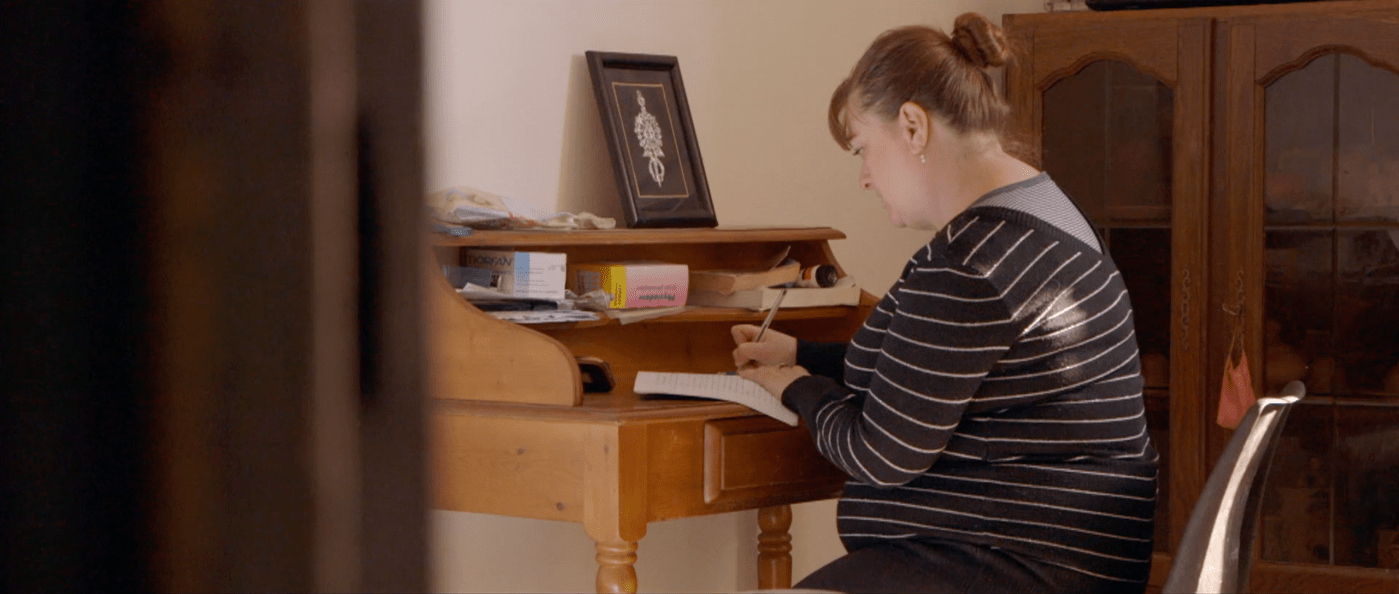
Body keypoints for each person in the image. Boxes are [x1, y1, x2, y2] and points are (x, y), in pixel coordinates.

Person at [731, 13, 1158, 594]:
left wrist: (799, 389)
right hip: (1066, 556)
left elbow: (881, 454)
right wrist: (804, 354)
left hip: (1012, 564)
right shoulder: (1042, 210)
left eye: (863, 150)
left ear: (913, 126)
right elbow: (932, 370)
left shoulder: (973, 262)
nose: (864, 178)